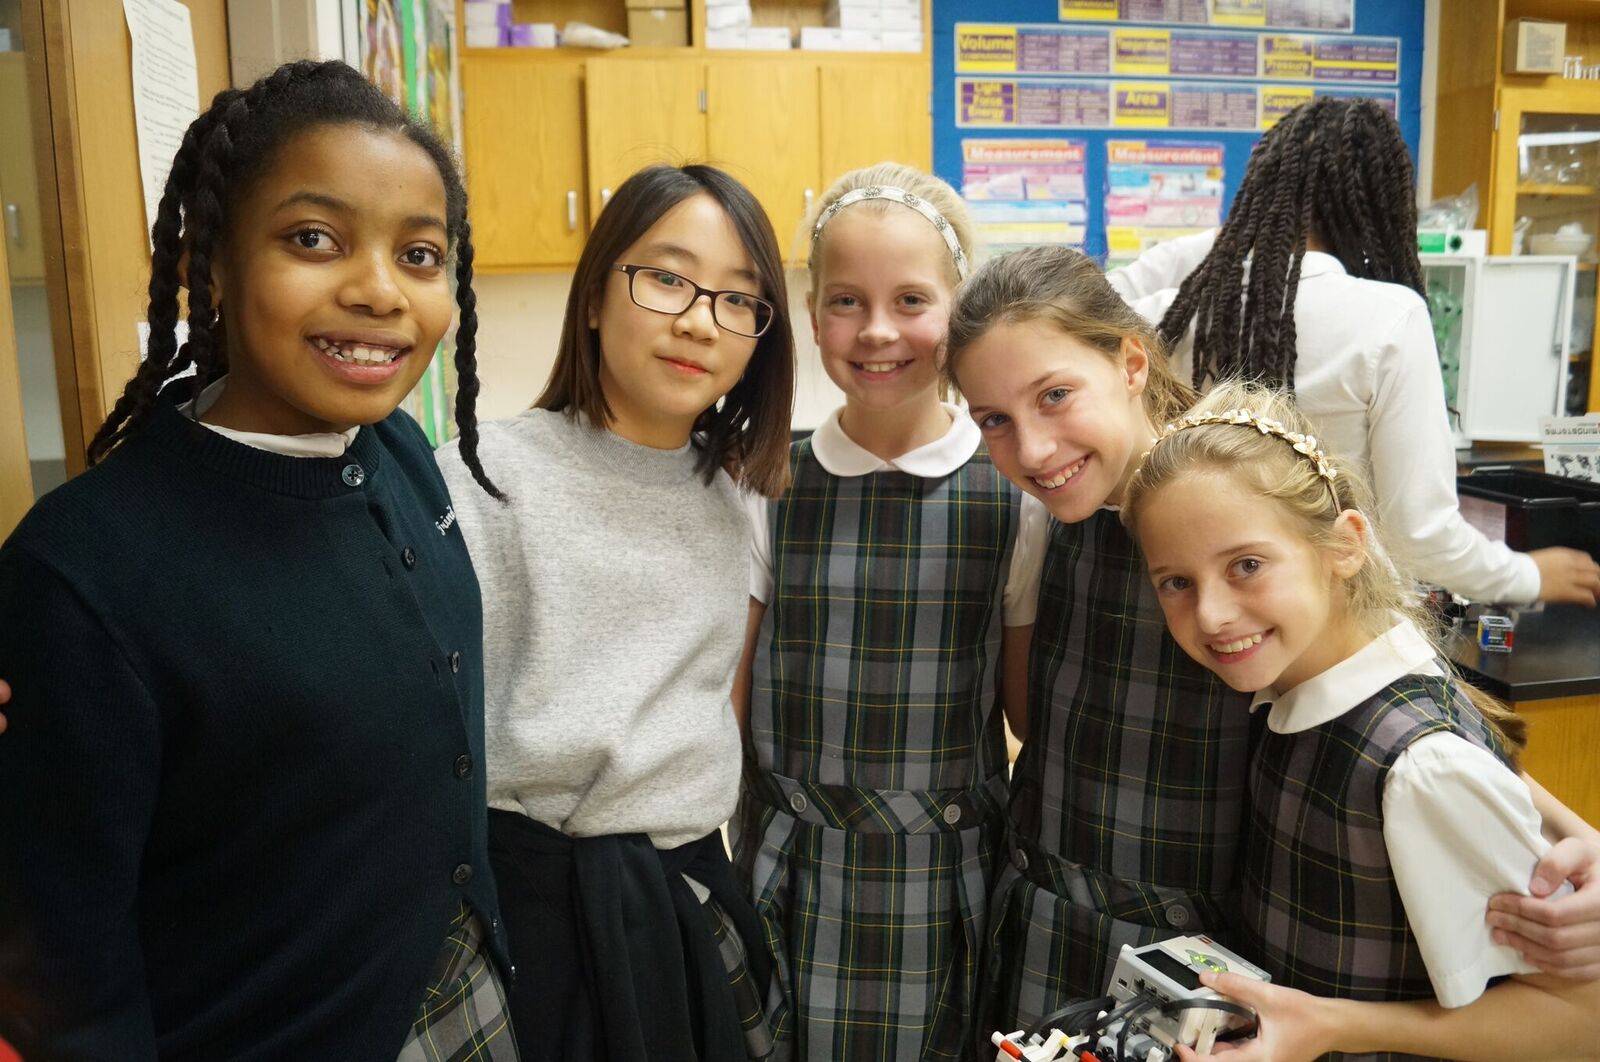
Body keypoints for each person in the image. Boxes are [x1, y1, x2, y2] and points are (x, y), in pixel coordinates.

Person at [943, 245, 1600, 1039]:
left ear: (1131, 363)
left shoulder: (1240, 505)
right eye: (995, 420)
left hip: (1202, 962)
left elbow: (1401, 709)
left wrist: (1579, 841)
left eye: (1055, 395)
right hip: (1047, 930)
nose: (1035, 450)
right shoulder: (1050, 519)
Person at [0, 60, 514, 1060]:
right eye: (313, 239)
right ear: (215, 263)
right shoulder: (84, 573)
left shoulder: (399, 451)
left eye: (419, 253)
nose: (379, 291)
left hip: (460, 999)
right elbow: (63, 972)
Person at [1121, 382, 1600, 1061]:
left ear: (1344, 546)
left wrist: (1332, 1026)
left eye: (1247, 566)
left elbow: (1582, 1021)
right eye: (1177, 582)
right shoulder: (1284, 693)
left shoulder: (1421, 769)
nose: (1212, 615)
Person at [433, 163, 795, 1062]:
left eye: (738, 299)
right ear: (595, 295)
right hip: (523, 913)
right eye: (667, 278)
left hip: (687, 900)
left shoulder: (739, 497)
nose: (699, 321)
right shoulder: (479, 476)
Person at [729, 163, 1041, 1059]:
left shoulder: (1012, 493)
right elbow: (733, 706)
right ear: (810, 312)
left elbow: (1023, 713)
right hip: (789, 870)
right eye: (845, 301)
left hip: (948, 879)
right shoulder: (764, 479)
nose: (876, 331)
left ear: (959, 309)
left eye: (910, 300)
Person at [1119, 97, 1600, 607]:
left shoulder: (1169, 314)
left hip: (1196, 603)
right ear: (1381, 204)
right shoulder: (1389, 317)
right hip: (1341, 612)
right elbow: (1421, 536)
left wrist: (1237, 241)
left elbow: (1091, 294)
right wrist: (1528, 575)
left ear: (1259, 191)